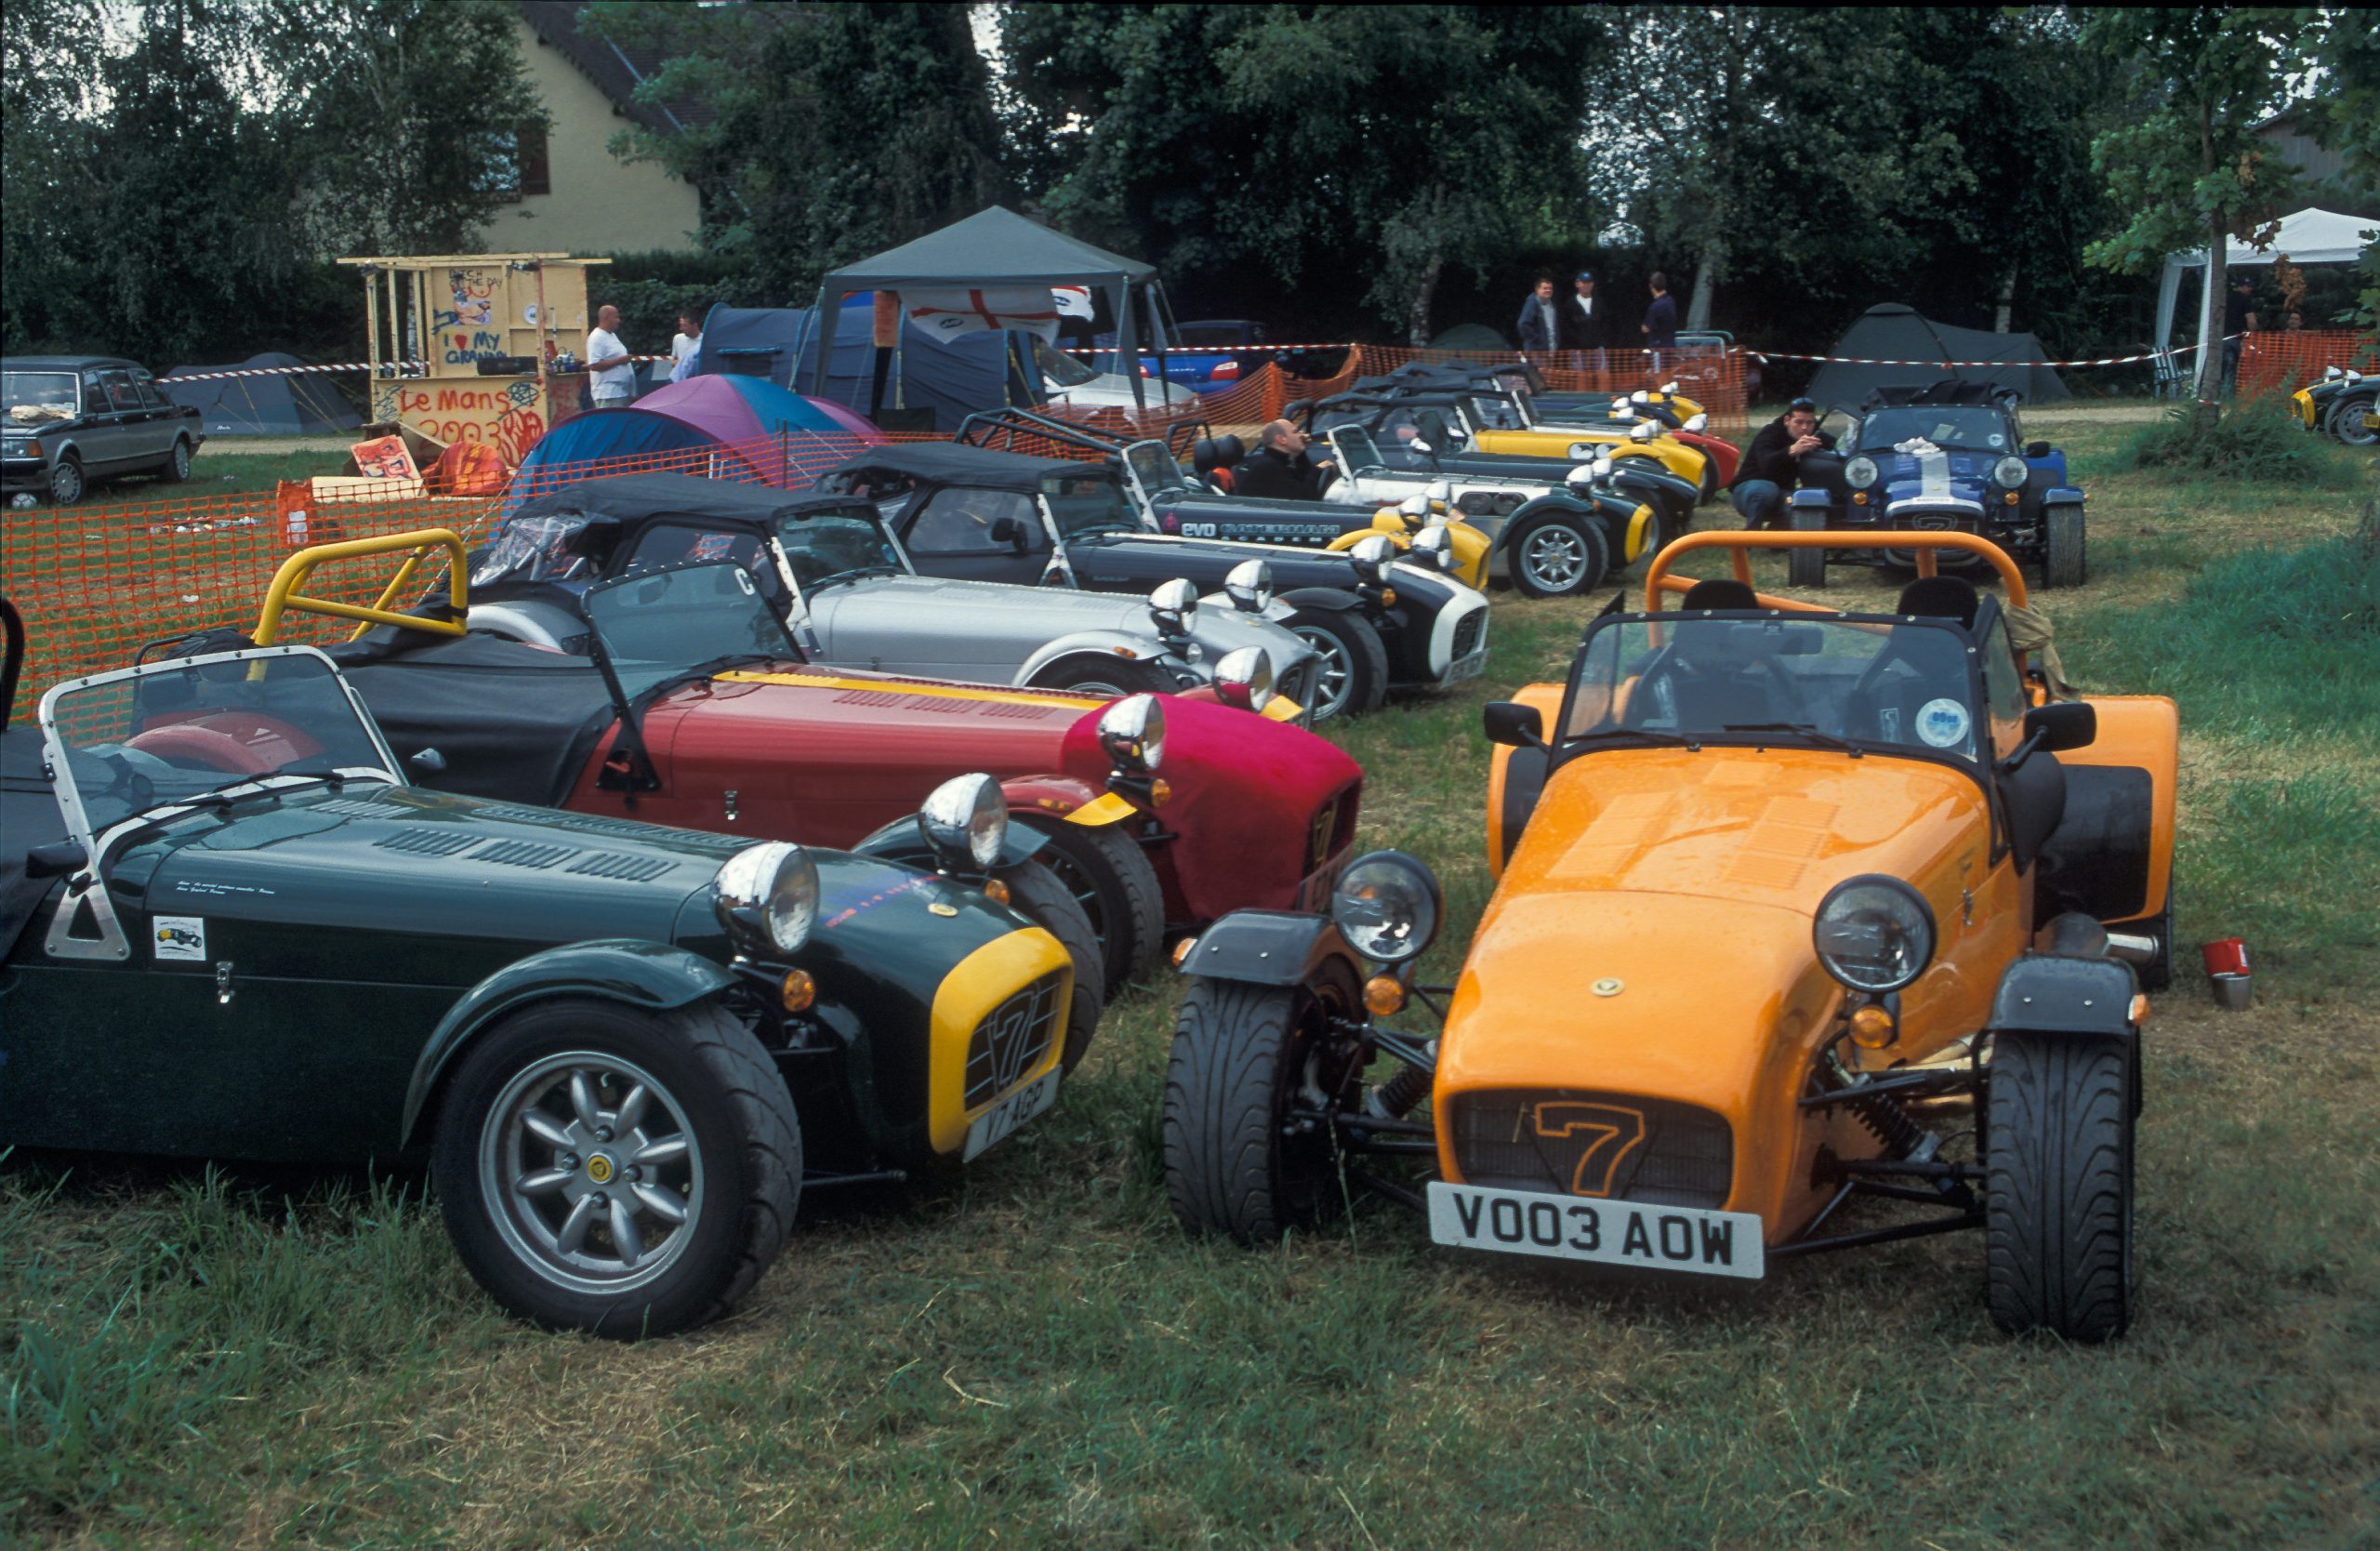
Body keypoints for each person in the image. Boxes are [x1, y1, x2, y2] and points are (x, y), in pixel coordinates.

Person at [1729, 397, 1834, 530]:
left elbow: (1835, 444)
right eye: (1799, 422)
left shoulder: (1814, 436)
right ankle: (1750, 536)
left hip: (1782, 493)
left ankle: (1775, 540)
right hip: (1748, 489)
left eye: (1810, 423)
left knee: (1800, 507)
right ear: (1787, 421)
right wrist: (1791, 450)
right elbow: (1766, 464)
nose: (1804, 428)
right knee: (1766, 489)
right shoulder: (1770, 433)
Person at [1234, 419, 1336, 500]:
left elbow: (1302, 477)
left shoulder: (1277, 463)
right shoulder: (1267, 467)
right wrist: (1318, 470)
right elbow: (1303, 498)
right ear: (1282, 439)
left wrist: (1301, 451)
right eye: (1296, 432)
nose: (1302, 435)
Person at [586, 305, 637, 406]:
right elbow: (594, 365)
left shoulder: (612, 336)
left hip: (621, 393)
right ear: (606, 318)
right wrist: (620, 360)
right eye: (616, 317)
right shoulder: (596, 337)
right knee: (613, 422)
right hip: (608, 395)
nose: (619, 321)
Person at [2219, 275, 2258, 396]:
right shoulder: (2245, 300)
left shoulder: (2224, 299)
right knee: (2237, 369)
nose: (2250, 289)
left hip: (2221, 338)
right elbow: (2251, 321)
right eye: (2248, 287)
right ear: (2242, 287)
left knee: (2224, 368)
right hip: (2236, 339)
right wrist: (2255, 331)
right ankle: (2231, 397)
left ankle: (2221, 396)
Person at [1562, 270, 1607, 371]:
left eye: (1589, 282)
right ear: (1577, 284)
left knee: (1601, 376)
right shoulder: (1570, 304)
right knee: (1580, 378)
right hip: (1577, 350)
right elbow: (1566, 326)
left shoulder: (1599, 302)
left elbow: (1605, 323)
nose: (1587, 285)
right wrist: (1574, 344)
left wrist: (1600, 341)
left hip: (1597, 348)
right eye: (1584, 282)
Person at [1515, 276, 1564, 354]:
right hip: (1536, 351)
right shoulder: (1532, 304)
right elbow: (1522, 324)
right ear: (1537, 290)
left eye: (1550, 288)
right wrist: (1537, 340)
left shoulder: (1552, 306)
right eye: (1545, 288)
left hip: (1551, 350)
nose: (1548, 290)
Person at [1642, 272, 1678, 369]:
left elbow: (1646, 328)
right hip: (1670, 345)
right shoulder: (1671, 301)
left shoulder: (1655, 307)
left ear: (1651, 286)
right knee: (1669, 376)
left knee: (1659, 376)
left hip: (1658, 347)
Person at [668, 309, 704, 383]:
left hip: (698, 381)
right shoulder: (677, 338)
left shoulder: (705, 341)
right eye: (680, 325)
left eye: (684, 325)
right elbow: (673, 361)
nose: (681, 328)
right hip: (680, 382)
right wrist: (681, 363)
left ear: (694, 325)